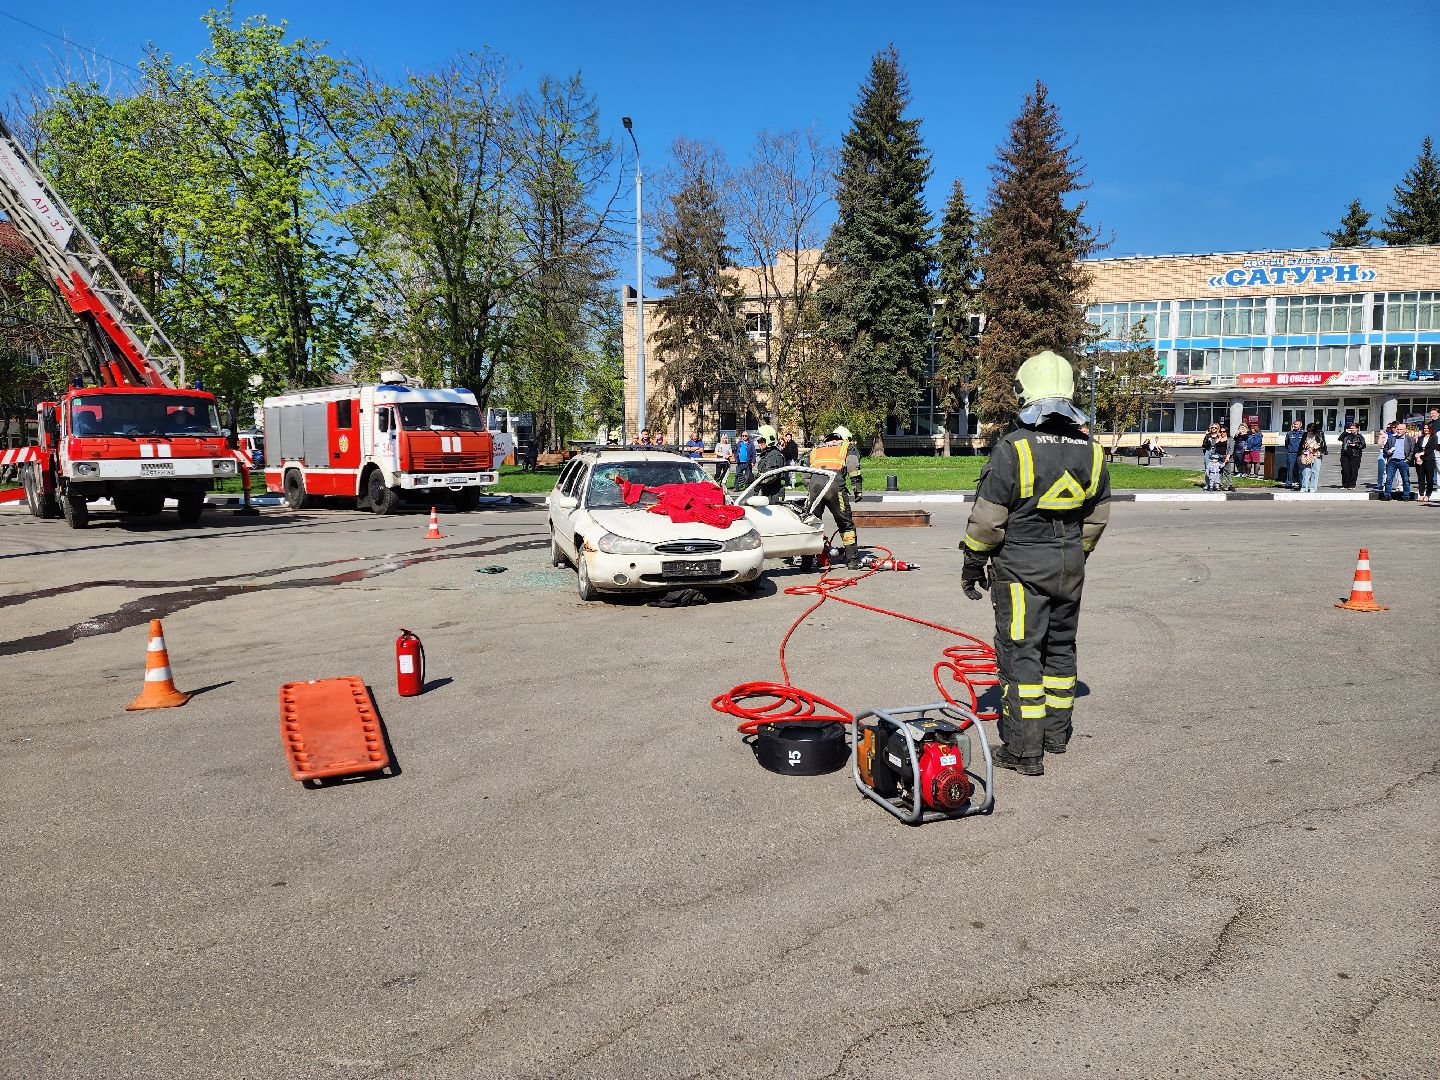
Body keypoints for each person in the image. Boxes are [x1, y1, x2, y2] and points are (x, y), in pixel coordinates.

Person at [960, 350, 1110, 777]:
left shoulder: (1014, 448)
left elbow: (989, 518)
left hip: (1022, 571)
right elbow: (1098, 516)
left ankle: (1024, 751)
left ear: (1026, 391)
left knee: (1021, 653)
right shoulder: (1092, 451)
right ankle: (1056, 735)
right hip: (1070, 569)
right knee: (1060, 649)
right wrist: (1073, 555)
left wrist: (973, 562)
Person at [805, 424, 862, 569]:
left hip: (814, 487)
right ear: (845, 438)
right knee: (845, 524)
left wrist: (811, 489)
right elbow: (853, 467)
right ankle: (853, 561)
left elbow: (805, 474)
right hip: (834, 485)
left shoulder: (816, 449)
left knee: (811, 523)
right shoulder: (846, 447)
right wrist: (857, 489)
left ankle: (806, 563)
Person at [1381, 421, 1414, 501]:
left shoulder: (1409, 439)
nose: (1399, 431)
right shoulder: (1392, 438)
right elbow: (1385, 448)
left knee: (1405, 479)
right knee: (1389, 479)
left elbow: (1412, 451)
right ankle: (1387, 495)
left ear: (1405, 430)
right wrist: (1388, 452)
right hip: (1392, 461)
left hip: (1403, 461)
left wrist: (1408, 459)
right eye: (1398, 429)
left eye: (1401, 429)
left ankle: (1406, 496)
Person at [753, 426, 786, 502]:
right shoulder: (768, 454)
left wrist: (757, 483)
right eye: (758, 441)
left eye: (761, 441)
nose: (759, 443)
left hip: (773, 495)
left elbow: (771, 476)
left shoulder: (774, 455)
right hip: (767, 492)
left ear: (768, 440)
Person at [1298, 422, 1326, 493]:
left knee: (1315, 471)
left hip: (1317, 454)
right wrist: (1303, 448)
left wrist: (1314, 448)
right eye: (1308, 430)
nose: (1310, 431)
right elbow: (1301, 444)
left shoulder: (1320, 433)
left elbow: (1322, 443)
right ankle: (1304, 487)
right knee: (1306, 471)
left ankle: (1313, 487)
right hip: (1306, 454)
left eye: (1311, 430)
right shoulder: (1305, 434)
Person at [1338, 422, 1366, 489]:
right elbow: (1340, 438)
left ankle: (1352, 484)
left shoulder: (1360, 436)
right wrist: (1345, 432)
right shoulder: (1346, 435)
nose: (1351, 430)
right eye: (1350, 428)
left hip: (1355, 455)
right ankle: (1345, 484)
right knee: (1345, 470)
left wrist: (1355, 445)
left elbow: (1363, 445)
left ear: (1357, 429)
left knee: (1353, 470)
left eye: (1353, 428)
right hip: (1345, 455)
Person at [1414, 422, 1437, 503]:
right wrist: (1417, 455)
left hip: (1429, 460)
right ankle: (1421, 494)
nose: (1426, 430)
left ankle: (1428, 495)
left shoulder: (1434, 437)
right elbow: (1416, 447)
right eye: (1424, 428)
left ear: (1431, 429)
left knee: (1429, 478)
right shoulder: (1421, 438)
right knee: (1420, 478)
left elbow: (1431, 448)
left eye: (1427, 428)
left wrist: (1421, 454)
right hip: (1419, 460)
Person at [1282, 420, 1305, 489]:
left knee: (1301, 469)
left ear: (1300, 425)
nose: (1295, 425)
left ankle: (1301, 483)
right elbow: (1287, 444)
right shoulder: (1289, 433)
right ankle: (1289, 483)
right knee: (1290, 468)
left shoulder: (1303, 433)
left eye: (1297, 424)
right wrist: (1290, 449)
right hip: (1291, 453)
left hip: (1300, 454)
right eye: (1294, 424)